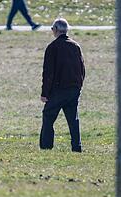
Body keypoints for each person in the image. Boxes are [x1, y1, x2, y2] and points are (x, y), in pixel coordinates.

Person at [39, 19, 85, 153]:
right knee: (73, 119)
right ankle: (76, 147)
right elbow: (82, 69)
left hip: (58, 90)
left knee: (48, 116)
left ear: (55, 30)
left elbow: (48, 73)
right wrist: (78, 87)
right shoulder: (75, 46)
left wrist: (45, 93)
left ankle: (46, 146)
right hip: (73, 89)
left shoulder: (52, 47)